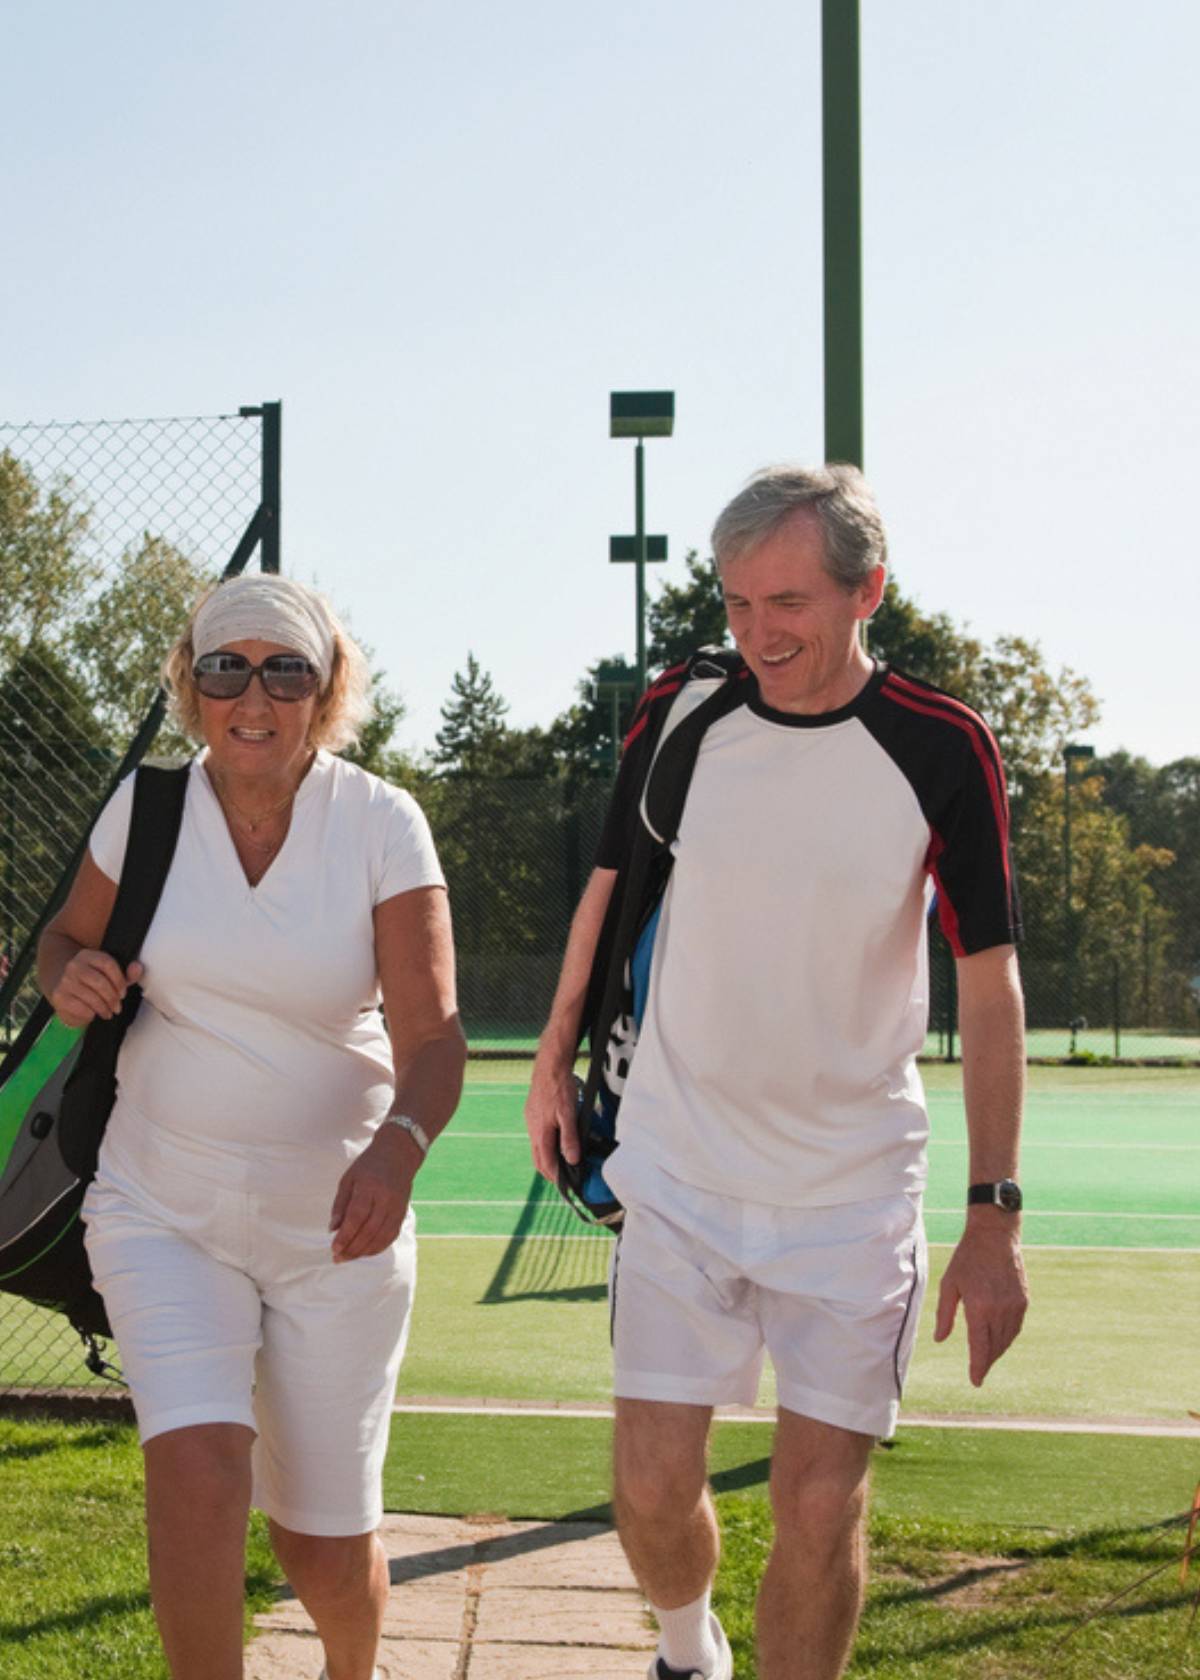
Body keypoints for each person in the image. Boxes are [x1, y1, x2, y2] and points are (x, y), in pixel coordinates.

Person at [525, 464, 1028, 1680]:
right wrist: (551, 1058)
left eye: (788, 601)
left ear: (870, 592)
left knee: (816, 1507)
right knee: (649, 1491)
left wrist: (993, 1218)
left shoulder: (943, 744)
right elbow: (607, 887)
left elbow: (992, 980)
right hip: (682, 1166)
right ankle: (688, 1648)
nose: (758, 633)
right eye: (738, 601)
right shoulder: (682, 713)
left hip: (850, 1193)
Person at [39, 573, 466, 1680]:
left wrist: (398, 1152)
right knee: (197, 1470)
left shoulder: (381, 823)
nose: (254, 696)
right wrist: (71, 973)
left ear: (325, 694)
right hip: (160, 1205)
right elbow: (60, 941)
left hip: (339, 1231)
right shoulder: (147, 808)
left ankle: (350, 1666)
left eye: (286, 670)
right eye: (225, 668)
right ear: (192, 685)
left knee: (319, 1551)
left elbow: (435, 1042)